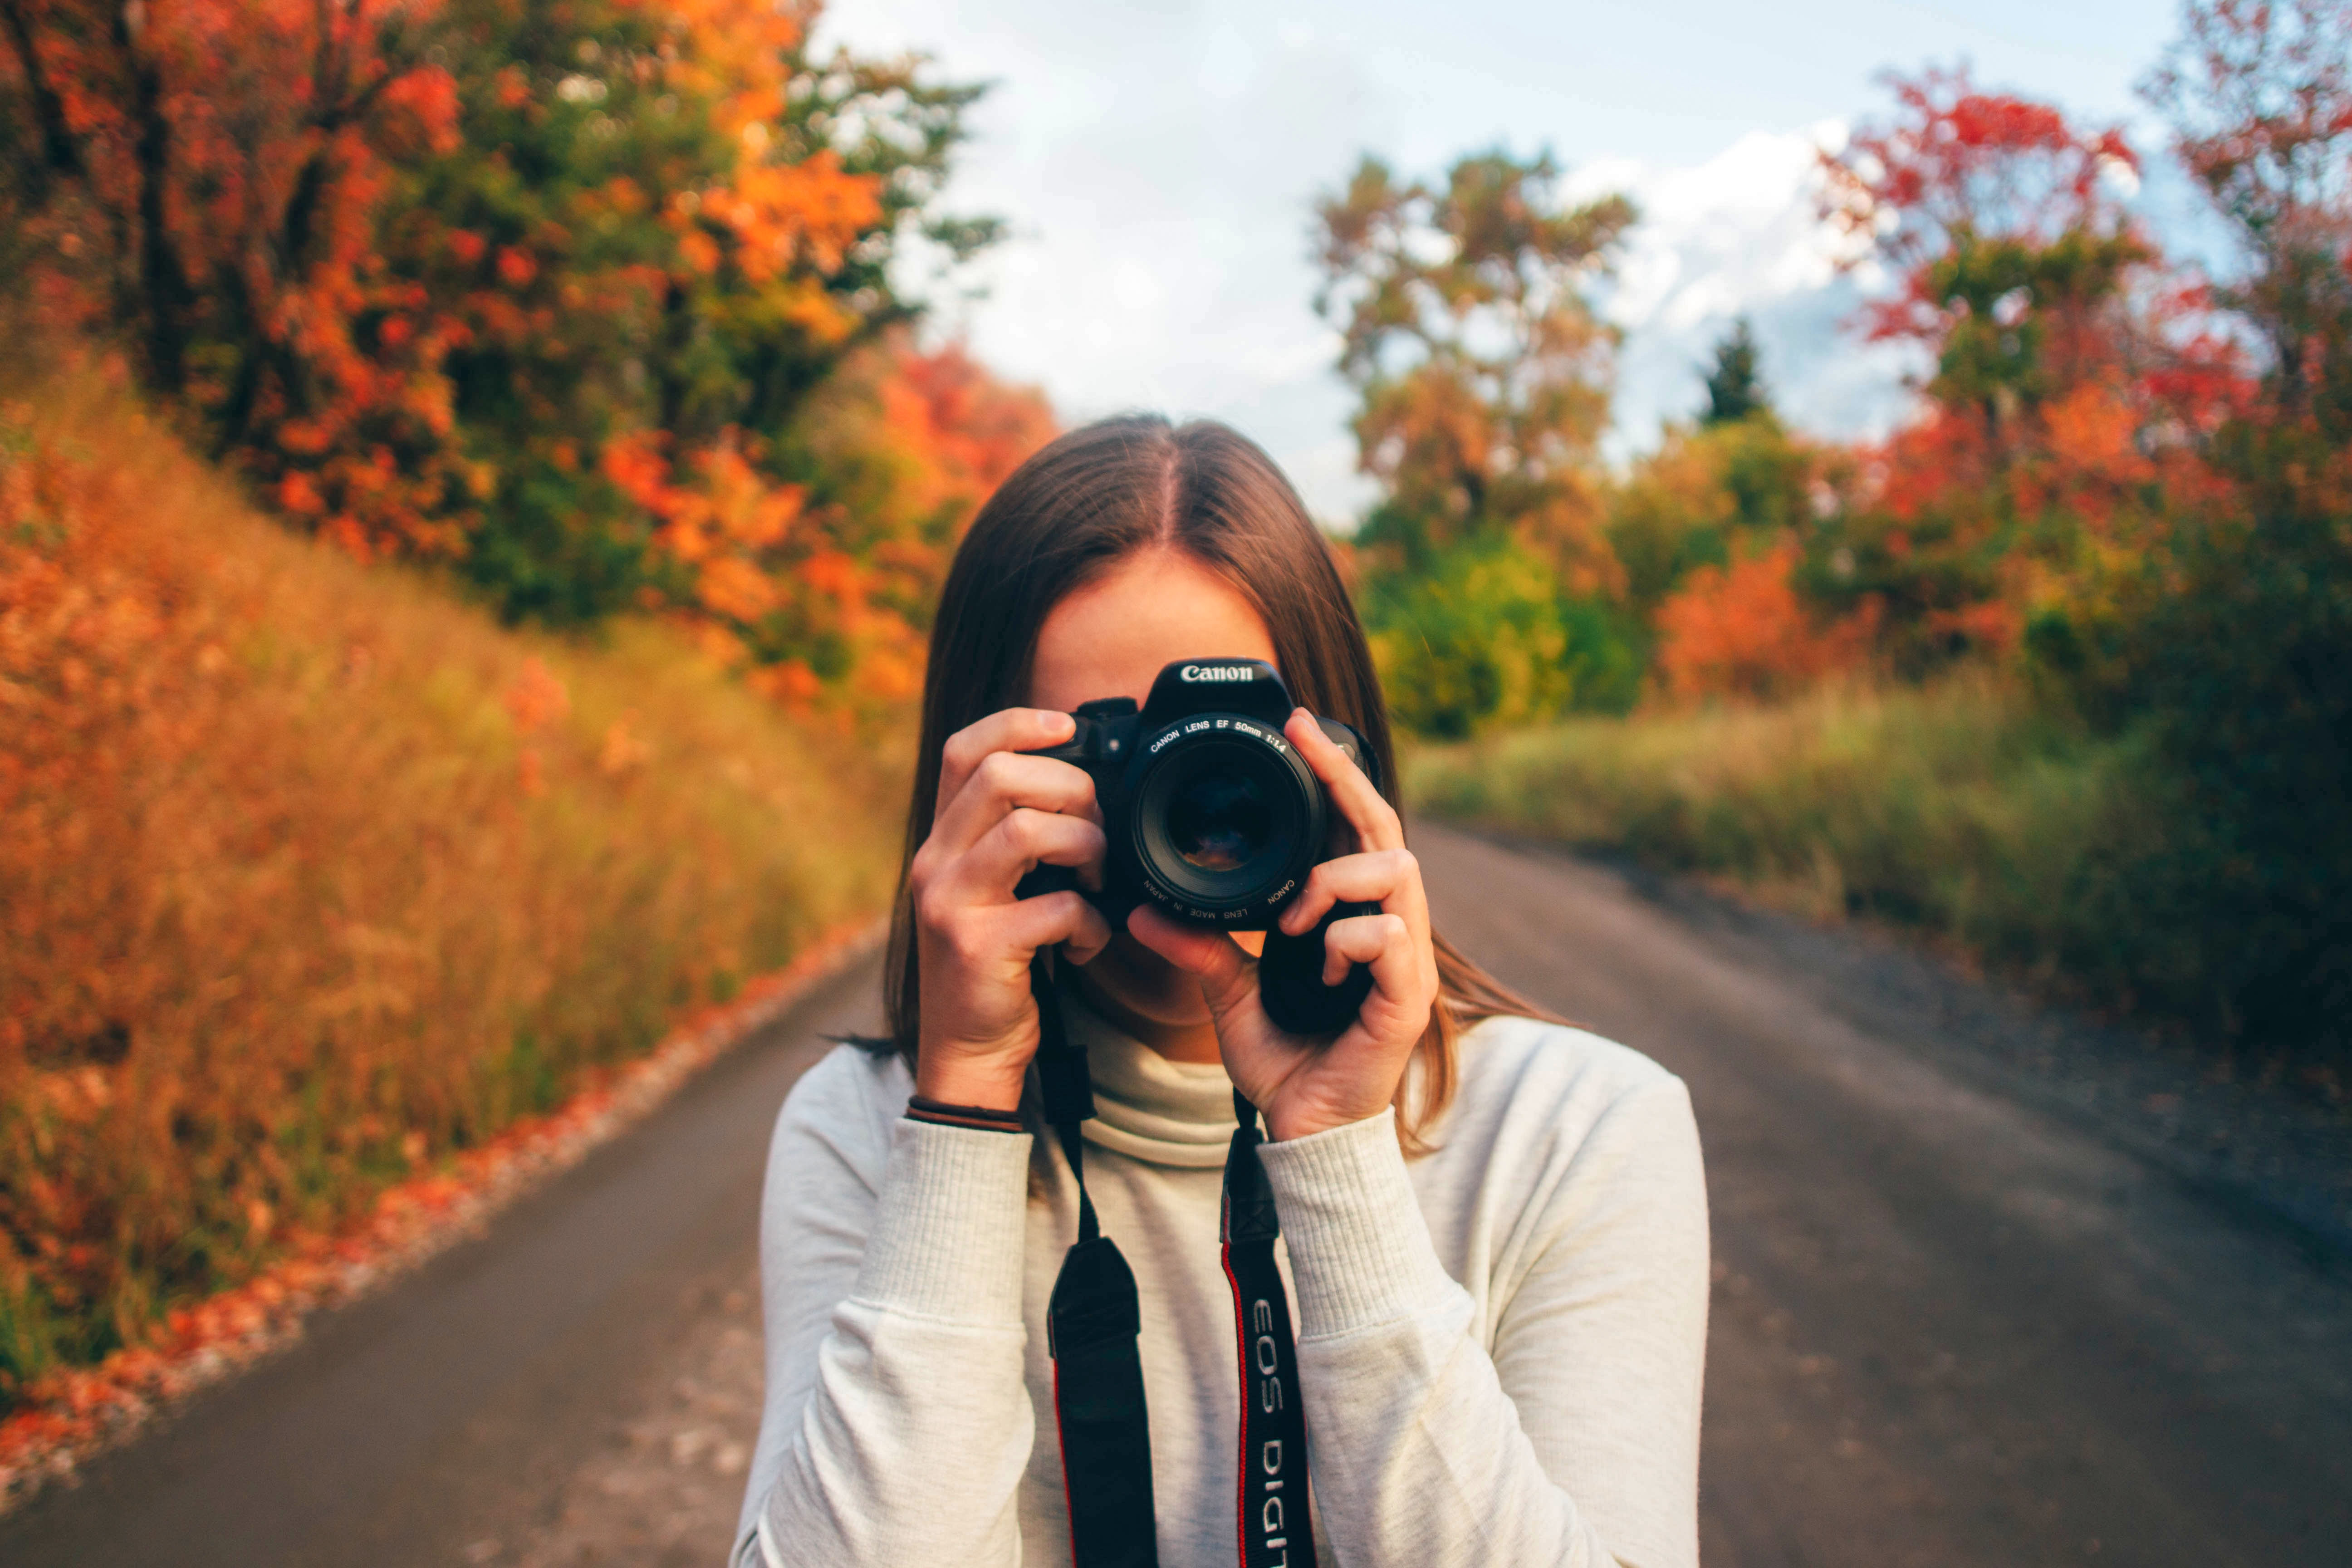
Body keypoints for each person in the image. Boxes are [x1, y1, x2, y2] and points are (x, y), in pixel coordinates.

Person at [732, 416, 1709, 1568]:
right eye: (1112, 753)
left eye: (1233, 754)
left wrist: (1337, 1153)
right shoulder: (869, 1128)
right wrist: (964, 1103)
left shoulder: (1580, 1129)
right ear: (976, 778)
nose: (1188, 811)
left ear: (1342, 759)